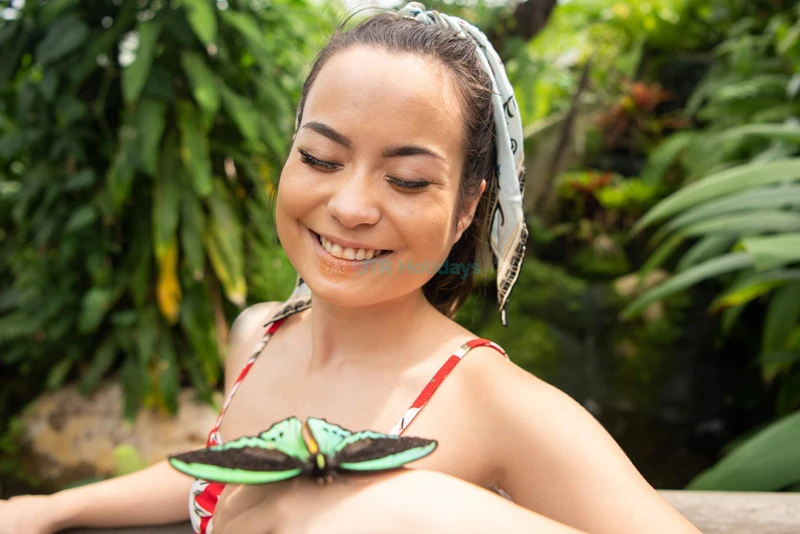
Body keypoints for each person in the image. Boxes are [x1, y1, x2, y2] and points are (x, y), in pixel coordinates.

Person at [0, 3, 702, 534]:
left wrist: (412, 503)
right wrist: (53, 508)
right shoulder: (258, 335)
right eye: (321, 159)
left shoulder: (495, 402)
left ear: (467, 209)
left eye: (406, 180)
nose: (351, 205)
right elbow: (229, 473)